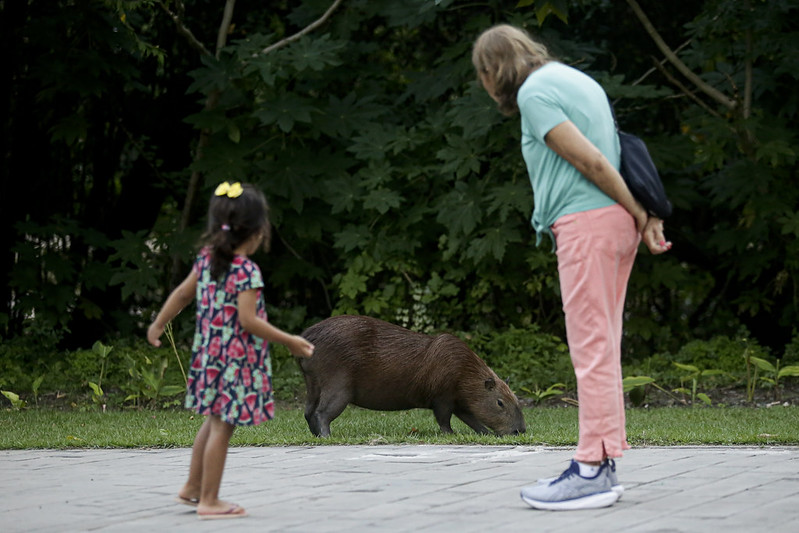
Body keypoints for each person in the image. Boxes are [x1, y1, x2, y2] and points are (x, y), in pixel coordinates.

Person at [472, 24, 671, 511]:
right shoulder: (576, 80)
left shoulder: (536, 93)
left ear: (493, 67)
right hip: (610, 226)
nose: (484, 82)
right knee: (604, 348)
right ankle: (601, 464)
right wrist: (637, 215)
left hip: (588, 224)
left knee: (591, 351)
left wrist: (640, 209)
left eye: (481, 72)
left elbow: (595, 163)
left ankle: (588, 471)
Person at [147, 181, 315, 520]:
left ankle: (193, 488)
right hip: (235, 362)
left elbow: (181, 295)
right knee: (222, 429)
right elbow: (248, 321)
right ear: (257, 231)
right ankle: (210, 501)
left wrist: (158, 323)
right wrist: (290, 340)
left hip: (209, 359)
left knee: (212, 423)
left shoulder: (206, 261)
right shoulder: (246, 271)